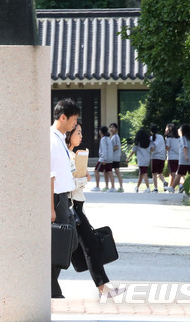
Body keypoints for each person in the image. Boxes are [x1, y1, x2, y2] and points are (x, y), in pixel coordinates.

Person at [66, 122, 124, 298]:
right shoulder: (65, 156)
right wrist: (83, 179)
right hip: (71, 207)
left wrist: (83, 176)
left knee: (87, 248)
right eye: (78, 133)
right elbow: (66, 184)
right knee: (88, 247)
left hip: (77, 206)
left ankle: (103, 289)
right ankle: (103, 289)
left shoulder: (72, 155)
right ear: (69, 134)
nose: (81, 136)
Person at [50, 98, 80, 299]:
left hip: (64, 198)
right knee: (63, 242)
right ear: (63, 117)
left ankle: (51, 284)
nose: (75, 124)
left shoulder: (59, 138)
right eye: (73, 120)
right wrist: (50, 207)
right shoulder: (51, 140)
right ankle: (51, 286)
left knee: (70, 242)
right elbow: (50, 175)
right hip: (56, 198)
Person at [167, 124, 190, 193]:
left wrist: (186, 156)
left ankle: (172, 188)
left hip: (184, 160)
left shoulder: (183, 138)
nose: (178, 130)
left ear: (182, 131)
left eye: (179, 129)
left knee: (179, 174)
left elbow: (185, 146)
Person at [91, 126, 114, 192]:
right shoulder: (109, 139)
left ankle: (97, 186)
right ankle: (111, 187)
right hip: (110, 158)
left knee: (96, 171)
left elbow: (104, 150)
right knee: (108, 172)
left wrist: (103, 159)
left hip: (103, 158)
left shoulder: (103, 139)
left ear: (100, 132)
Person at [149, 124, 167, 192]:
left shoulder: (151, 138)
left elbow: (152, 149)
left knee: (154, 174)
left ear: (151, 131)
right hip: (162, 157)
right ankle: (164, 182)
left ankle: (156, 188)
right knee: (160, 173)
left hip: (155, 157)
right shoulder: (161, 137)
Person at [164, 124, 181, 192]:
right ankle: (171, 187)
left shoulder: (169, 138)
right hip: (179, 157)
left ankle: (180, 185)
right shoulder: (179, 138)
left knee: (173, 172)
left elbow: (167, 147)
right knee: (175, 172)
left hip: (171, 157)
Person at [109, 123, 124, 192]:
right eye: (110, 127)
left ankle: (118, 187)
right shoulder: (114, 137)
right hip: (114, 157)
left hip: (115, 157)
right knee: (115, 171)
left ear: (116, 129)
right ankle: (119, 186)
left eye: (113, 127)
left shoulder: (115, 137)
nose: (111, 129)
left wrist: (109, 150)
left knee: (115, 172)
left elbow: (116, 147)